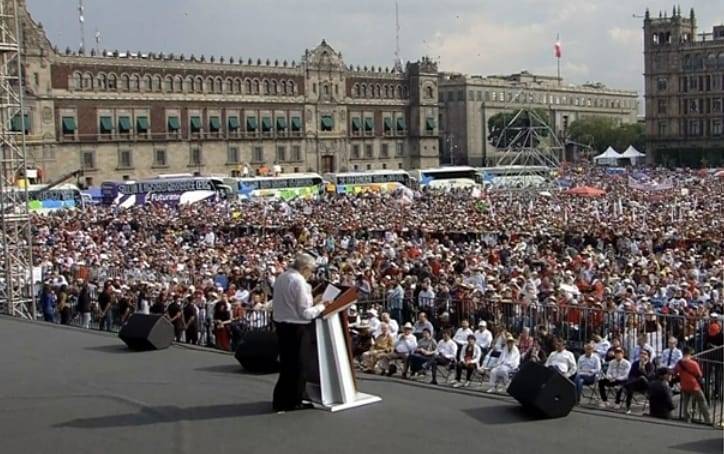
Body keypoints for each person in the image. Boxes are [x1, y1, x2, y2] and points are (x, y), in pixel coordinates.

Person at [271, 254, 327, 412]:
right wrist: (322, 306)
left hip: (282, 325)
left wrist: (314, 303)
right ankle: (294, 401)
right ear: (305, 268)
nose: (311, 274)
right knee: (298, 366)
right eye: (311, 270)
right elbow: (305, 313)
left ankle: (282, 400)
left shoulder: (282, 277)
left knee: (287, 365)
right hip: (296, 328)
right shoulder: (299, 281)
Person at [675, 347, 713, 424]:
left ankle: (687, 418)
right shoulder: (693, 363)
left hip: (684, 384)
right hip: (694, 385)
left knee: (686, 402)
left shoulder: (679, 363)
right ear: (690, 353)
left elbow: (675, 371)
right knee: (702, 401)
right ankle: (708, 420)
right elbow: (700, 374)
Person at [622, 349, 655, 414]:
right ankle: (628, 408)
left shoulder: (651, 365)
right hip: (635, 384)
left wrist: (643, 370)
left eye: (645, 354)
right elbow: (631, 375)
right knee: (630, 387)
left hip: (645, 385)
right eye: (641, 353)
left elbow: (649, 377)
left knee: (642, 378)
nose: (642, 355)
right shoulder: (635, 363)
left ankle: (625, 386)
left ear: (648, 356)